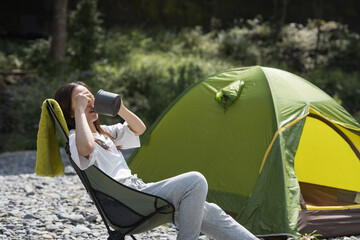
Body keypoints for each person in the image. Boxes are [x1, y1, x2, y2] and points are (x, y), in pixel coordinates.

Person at [54, 81, 259, 240]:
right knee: (195, 181)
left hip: (139, 192)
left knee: (209, 211)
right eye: (81, 99)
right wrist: (81, 110)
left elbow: (139, 129)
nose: (88, 101)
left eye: (89, 96)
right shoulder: (76, 138)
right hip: (127, 202)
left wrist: (120, 109)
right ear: (71, 111)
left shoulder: (105, 133)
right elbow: (86, 148)